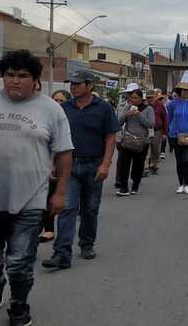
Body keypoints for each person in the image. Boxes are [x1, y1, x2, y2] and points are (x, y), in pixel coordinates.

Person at [0, 50, 73, 325]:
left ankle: (19, 305)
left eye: (23, 76)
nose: (15, 81)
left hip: (31, 198)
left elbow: (65, 153)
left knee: (20, 263)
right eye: (10, 75)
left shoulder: (51, 110)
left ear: (35, 80)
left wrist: (59, 193)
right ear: (2, 77)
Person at [43, 70, 119, 273]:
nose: (73, 87)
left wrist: (105, 164)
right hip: (69, 165)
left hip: (94, 165)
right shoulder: (63, 108)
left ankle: (86, 244)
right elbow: (54, 138)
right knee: (67, 207)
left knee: (90, 208)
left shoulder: (103, 108)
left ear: (89, 85)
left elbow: (110, 138)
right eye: (72, 84)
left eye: (77, 83)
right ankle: (61, 253)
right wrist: (52, 163)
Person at [39, 90, 72, 244]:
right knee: (45, 197)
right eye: (55, 100)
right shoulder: (45, 117)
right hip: (46, 164)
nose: (58, 103)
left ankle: (53, 231)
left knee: (58, 198)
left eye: (62, 100)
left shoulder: (69, 119)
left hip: (68, 164)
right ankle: (47, 228)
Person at [167, 82, 188, 194]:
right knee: (179, 160)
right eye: (184, 90)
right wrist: (171, 130)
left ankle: (187, 184)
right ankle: (181, 184)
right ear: (179, 91)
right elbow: (169, 118)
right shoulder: (172, 104)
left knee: (186, 159)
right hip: (175, 135)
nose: (186, 92)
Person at [146, 91, 168, 175]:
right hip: (146, 130)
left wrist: (165, 132)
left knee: (155, 149)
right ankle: (145, 167)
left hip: (157, 130)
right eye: (148, 97)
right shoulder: (145, 106)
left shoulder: (160, 105)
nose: (149, 99)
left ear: (155, 97)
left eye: (151, 97)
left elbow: (165, 119)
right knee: (145, 150)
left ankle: (154, 164)